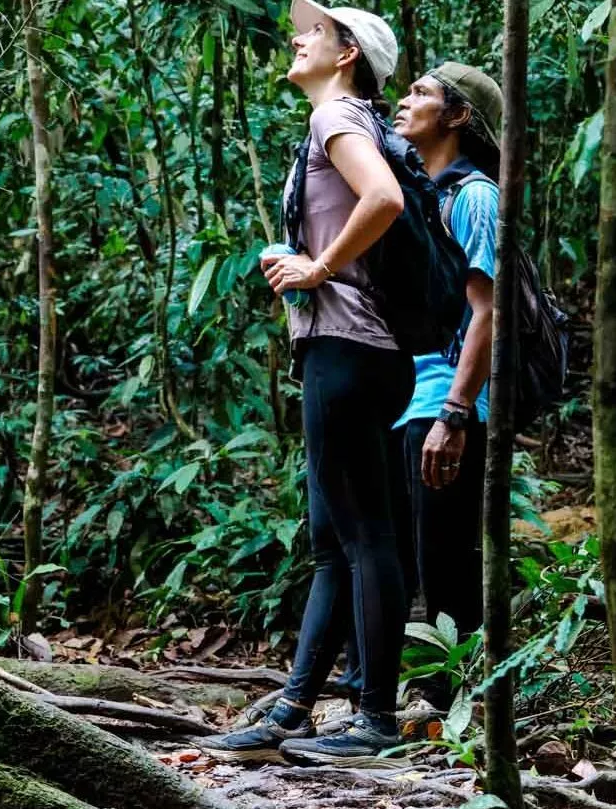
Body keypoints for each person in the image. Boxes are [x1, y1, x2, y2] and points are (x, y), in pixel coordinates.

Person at [197, 0, 414, 768]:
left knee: (363, 536)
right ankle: (293, 708)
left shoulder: (338, 120)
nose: (298, 37)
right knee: (334, 541)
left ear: (347, 52)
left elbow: (383, 199)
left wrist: (317, 268)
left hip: (350, 346)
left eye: (315, 31)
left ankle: (376, 720)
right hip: (355, 349)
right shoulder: (341, 122)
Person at [393, 64, 502, 680]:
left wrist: (455, 414)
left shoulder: (475, 195)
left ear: (457, 117)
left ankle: (454, 711)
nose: (405, 102)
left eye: (422, 94)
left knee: (447, 566)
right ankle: (423, 701)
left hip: (448, 405)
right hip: (409, 398)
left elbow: (488, 311)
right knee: (416, 562)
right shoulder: (419, 191)